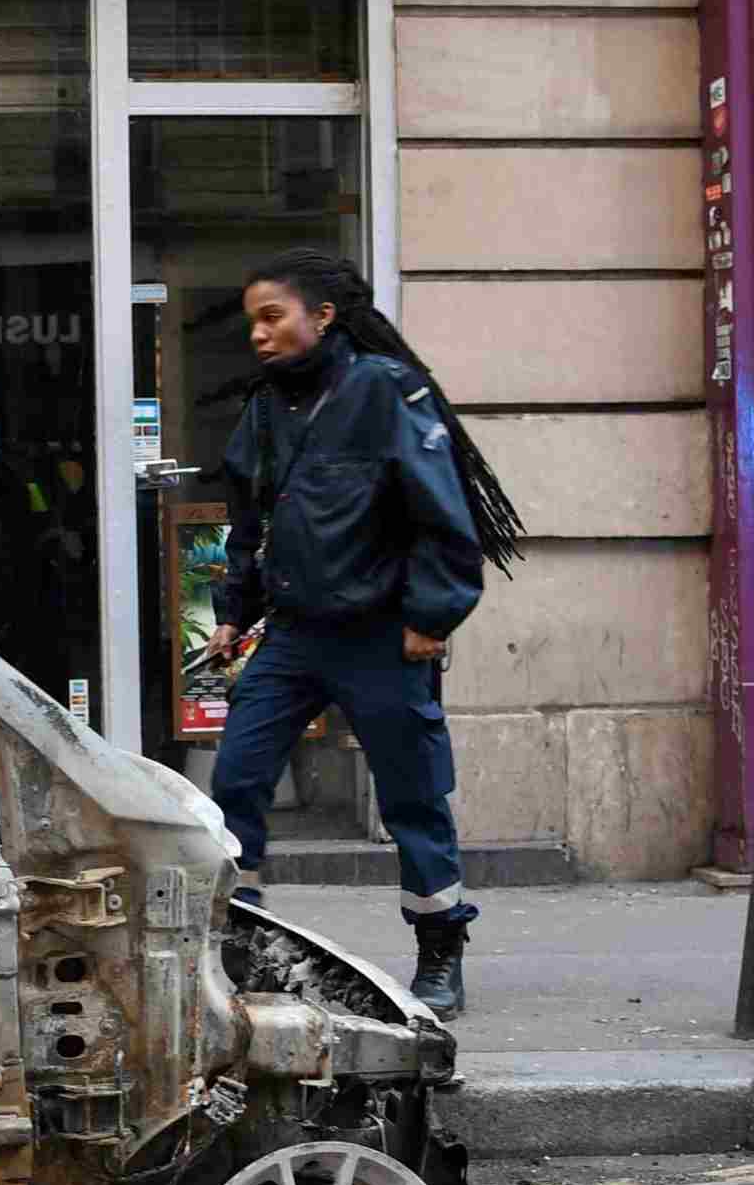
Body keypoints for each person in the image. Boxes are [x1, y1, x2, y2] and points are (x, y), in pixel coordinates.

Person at [196, 248, 525, 1016]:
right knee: (237, 778)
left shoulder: (385, 390)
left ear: (323, 316)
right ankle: (241, 944)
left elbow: (441, 512)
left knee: (412, 798)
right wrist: (234, 612)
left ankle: (441, 949)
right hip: (294, 636)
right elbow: (249, 522)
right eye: (253, 322)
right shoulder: (268, 406)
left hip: (383, 635)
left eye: (273, 316)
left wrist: (429, 619)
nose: (260, 334)